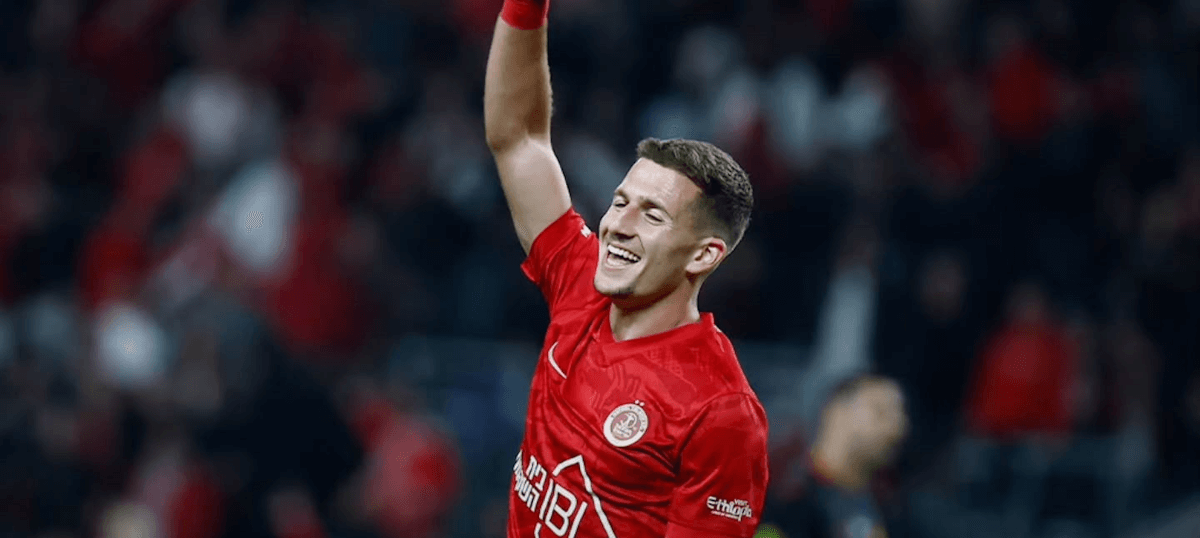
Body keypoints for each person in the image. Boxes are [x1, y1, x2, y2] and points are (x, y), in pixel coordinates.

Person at [482, 0, 769, 537]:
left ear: (704, 254)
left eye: (652, 214)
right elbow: (518, 138)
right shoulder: (580, 280)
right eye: (620, 202)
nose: (618, 225)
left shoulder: (719, 411)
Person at [759, 375, 908, 538]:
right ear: (836, 410)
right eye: (880, 412)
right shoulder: (783, 495)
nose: (897, 428)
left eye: (900, 416)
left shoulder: (892, 507)